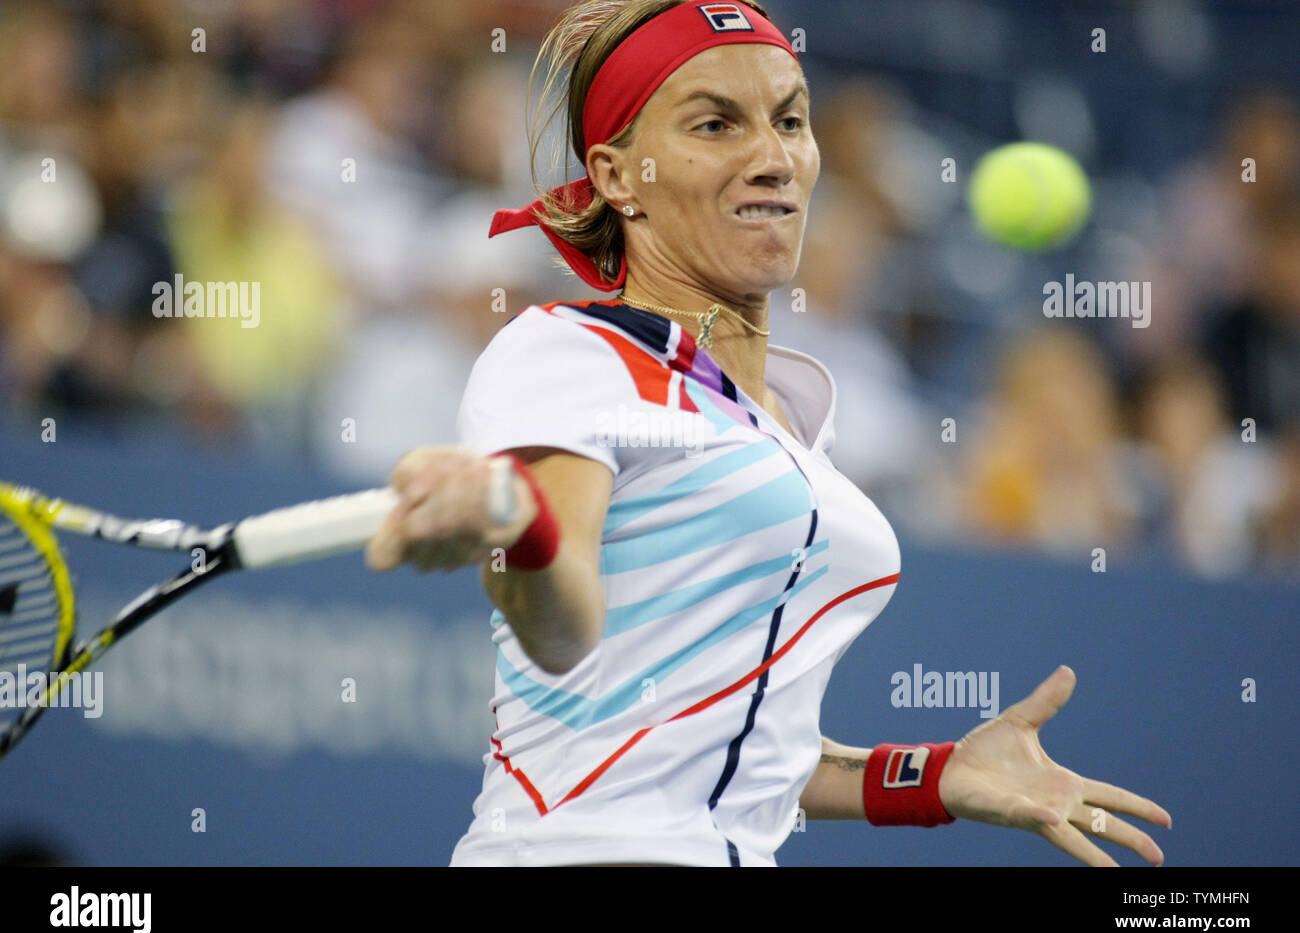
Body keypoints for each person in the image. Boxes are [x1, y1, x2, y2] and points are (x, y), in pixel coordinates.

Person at [365, 0, 1171, 867]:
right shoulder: (570, 352)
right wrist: (519, 536)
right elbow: (562, 629)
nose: (773, 157)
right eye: (716, 124)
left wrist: (936, 777)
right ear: (617, 174)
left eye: (790, 119)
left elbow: (723, 748)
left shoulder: (784, 417)